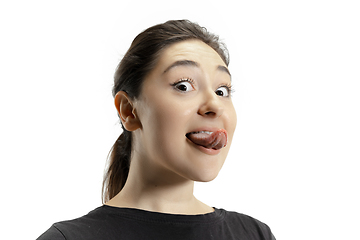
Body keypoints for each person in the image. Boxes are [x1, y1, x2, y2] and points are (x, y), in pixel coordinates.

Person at [37, 19, 276, 240]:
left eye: (222, 91)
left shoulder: (254, 235)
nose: (214, 104)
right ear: (129, 110)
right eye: (183, 86)